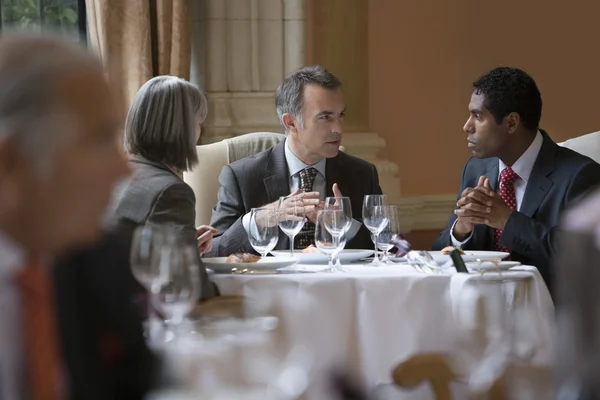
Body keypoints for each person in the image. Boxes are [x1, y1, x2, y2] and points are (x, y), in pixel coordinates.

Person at [0, 34, 156, 399]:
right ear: (10, 163)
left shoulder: (94, 260)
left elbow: (139, 385)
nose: (125, 170)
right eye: (100, 140)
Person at [433, 67, 600, 289]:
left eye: (478, 116)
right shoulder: (476, 169)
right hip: (480, 310)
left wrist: (507, 221)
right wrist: (462, 229)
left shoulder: (580, 175)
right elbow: (439, 252)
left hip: (547, 315)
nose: (467, 126)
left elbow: (582, 258)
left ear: (511, 123)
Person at [209, 65, 383, 256]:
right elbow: (214, 251)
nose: (338, 129)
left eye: (340, 115)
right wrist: (261, 218)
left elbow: (391, 248)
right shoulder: (242, 177)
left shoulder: (362, 174)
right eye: (325, 117)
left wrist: (345, 227)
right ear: (291, 122)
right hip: (270, 285)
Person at [108, 76, 217, 299]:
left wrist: (184, 249)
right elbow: (188, 289)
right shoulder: (171, 192)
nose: (200, 129)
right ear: (183, 128)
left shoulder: (115, 175)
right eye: (198, 120)